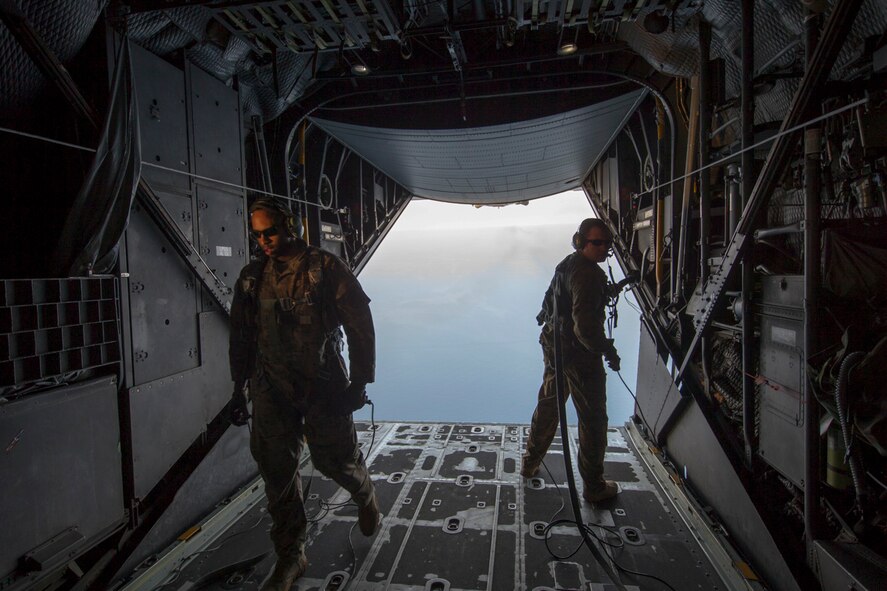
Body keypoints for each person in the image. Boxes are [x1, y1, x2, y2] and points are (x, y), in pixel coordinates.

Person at [228, 198, 380, 591]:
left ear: (289, 226)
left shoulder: (324, 268)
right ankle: (292, 554)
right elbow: (241, 337)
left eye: (271, 232)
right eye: (258, 234)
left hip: (323, 384)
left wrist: (359, 384)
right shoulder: (251, 277)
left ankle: (365, 494)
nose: (264, 241)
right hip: (270, 386)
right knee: (276, 473)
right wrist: (236, 388)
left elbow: (360, 324)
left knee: (336, 461)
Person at [521, 218, 622, 503]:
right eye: (597, 243)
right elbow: (585, 329)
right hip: (579, 356)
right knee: (592, 419)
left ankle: (529, 463)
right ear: (581, 242)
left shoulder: (568, 263)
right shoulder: (587, 275)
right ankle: (593, 486)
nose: (604, 249)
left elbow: (552, 300)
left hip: (555, 347)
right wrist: (607, 350)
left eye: (607, 244)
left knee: (549, 405)